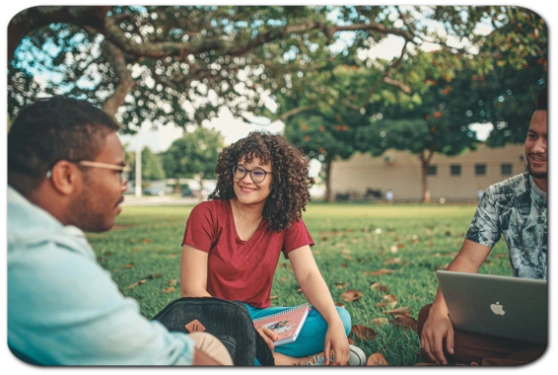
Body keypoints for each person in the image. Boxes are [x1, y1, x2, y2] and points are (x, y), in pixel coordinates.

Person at [6, 97, 233, 365]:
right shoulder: (41, 261)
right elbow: (174, 359)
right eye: (117, 171)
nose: (123, 185)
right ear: (66, 176)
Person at [180, 131, 365, 366]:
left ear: (276, 179)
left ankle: (255, 354)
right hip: (211, 319)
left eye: (258, 172)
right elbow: (191, 291)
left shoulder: (286, 219)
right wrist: (245, 330)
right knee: (205, 349)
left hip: (259, 319)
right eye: (241, 169)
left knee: (339, 317)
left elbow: (308, 274)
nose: (247, 179)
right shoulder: (206, 214)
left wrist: (336, 327)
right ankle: (297, 362)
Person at [417, 90, 547, 366]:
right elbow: (466, 260)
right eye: (533, 136)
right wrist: (440, 312)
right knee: (430, 321)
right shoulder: (501, 196)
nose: (536, 148)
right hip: (522, 328)